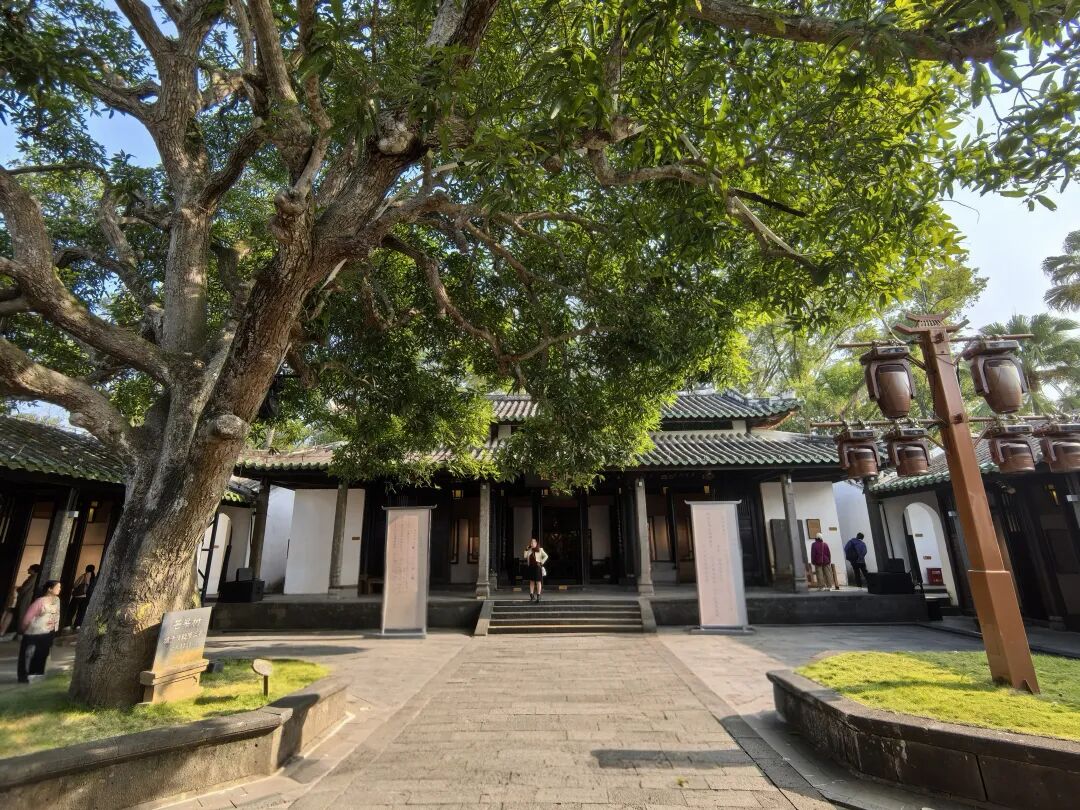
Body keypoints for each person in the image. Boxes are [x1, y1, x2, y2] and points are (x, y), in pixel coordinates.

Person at [18, 580, 62, 683]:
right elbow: (27, 617)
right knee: (27, 655)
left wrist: (54, 629)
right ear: (49, 589)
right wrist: (24, 629)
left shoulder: (57, 600)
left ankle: (36, 675)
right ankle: (23, 677)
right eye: (57, 587)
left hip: (47, 632)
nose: (59, 589)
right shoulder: (40, 601)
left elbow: (57, 615)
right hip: (33, 631)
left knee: (42, 654)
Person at [10, 564, 41, 638]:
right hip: (27, 598)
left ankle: (20, 632)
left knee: (22, 614)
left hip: (25, 598)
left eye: (30, 568)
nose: (28, 570)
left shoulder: (33, 577)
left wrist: (18, 589)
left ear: (33, 570)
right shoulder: (35, 577)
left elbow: (25, 588)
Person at [68, 564, 97, 629]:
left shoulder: (84, 575)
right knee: (82, 611)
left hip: (79, 595)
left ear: (87, 568)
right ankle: (78, 625)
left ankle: (67, 624)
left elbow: (75, 584)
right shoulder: (94, 578)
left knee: (72, 610)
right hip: (87, 597)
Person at [523, 538, 549, 602]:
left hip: (537, 567)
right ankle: (531, 595)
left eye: (533, 542)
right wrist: (526, 549)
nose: (532, 544)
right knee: (531, 581)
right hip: (531, 567)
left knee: (538, 581)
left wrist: (541, 562)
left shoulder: (540, 549)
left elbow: (546, 556)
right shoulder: (529, 550)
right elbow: (525, 556)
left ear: (536, 543)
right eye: (531, 543)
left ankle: (538, 595)